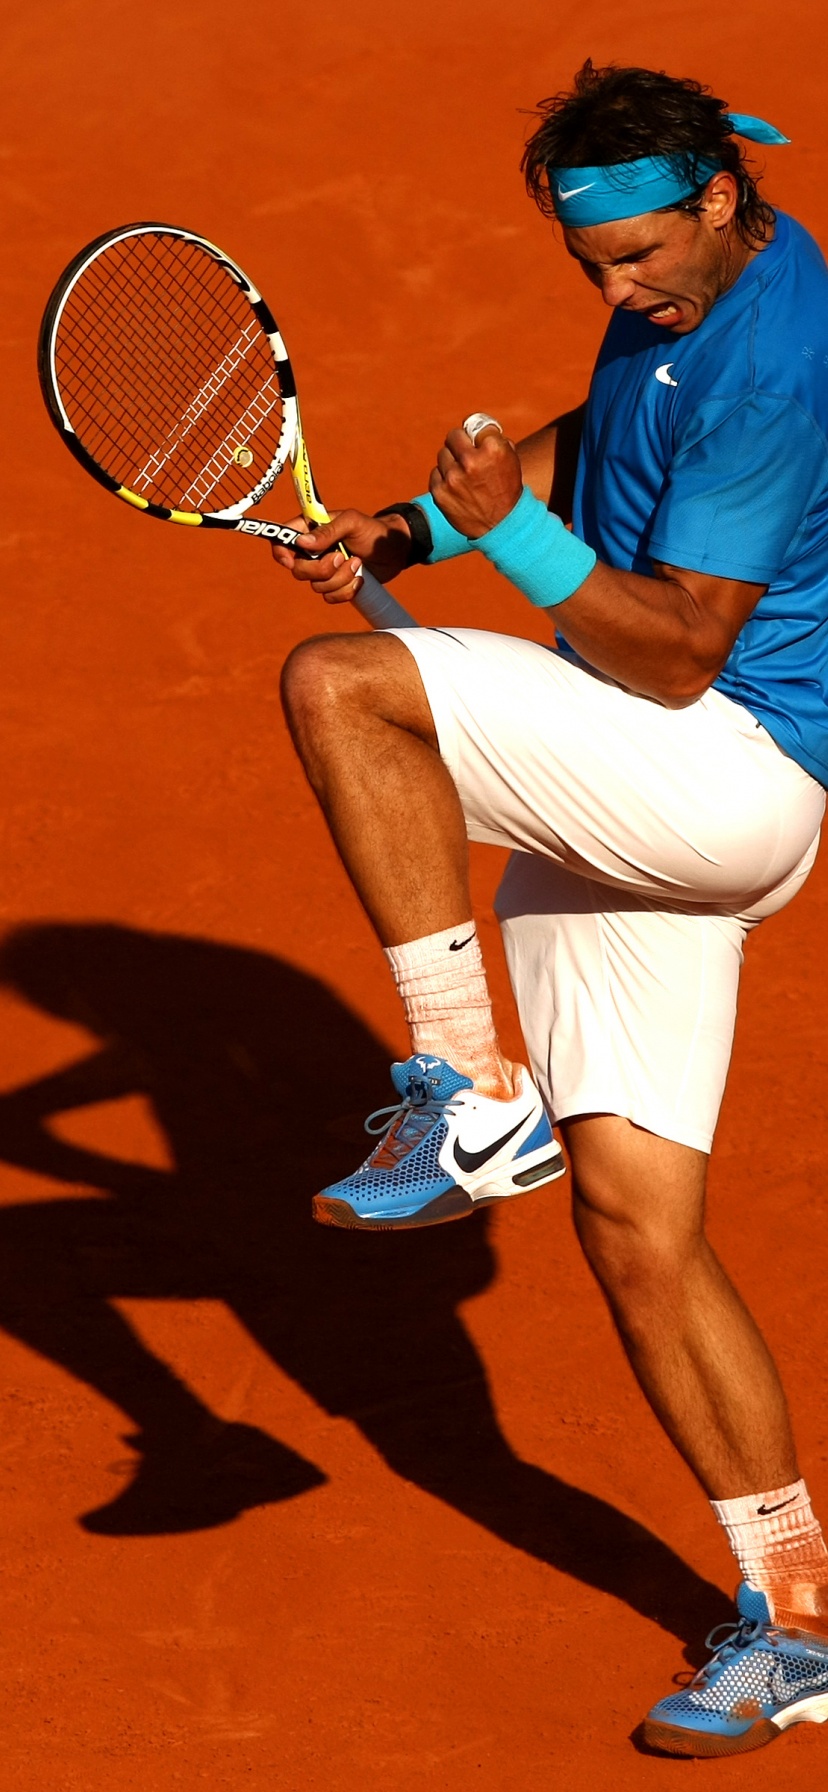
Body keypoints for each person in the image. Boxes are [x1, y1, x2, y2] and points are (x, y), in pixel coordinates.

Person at [272, 62, 828, 1757]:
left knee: (342, 686)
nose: (616, 289)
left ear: (722, 198)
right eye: (594, 267)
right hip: (640, 783)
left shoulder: (782, 358)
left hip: (713, 767)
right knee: (638, 1229)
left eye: (640, 256)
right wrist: (430, 524)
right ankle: (797, 1617)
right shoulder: (693, 292)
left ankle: (465, 1091)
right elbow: (607, 435)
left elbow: (671, 649)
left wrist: (509, 547)